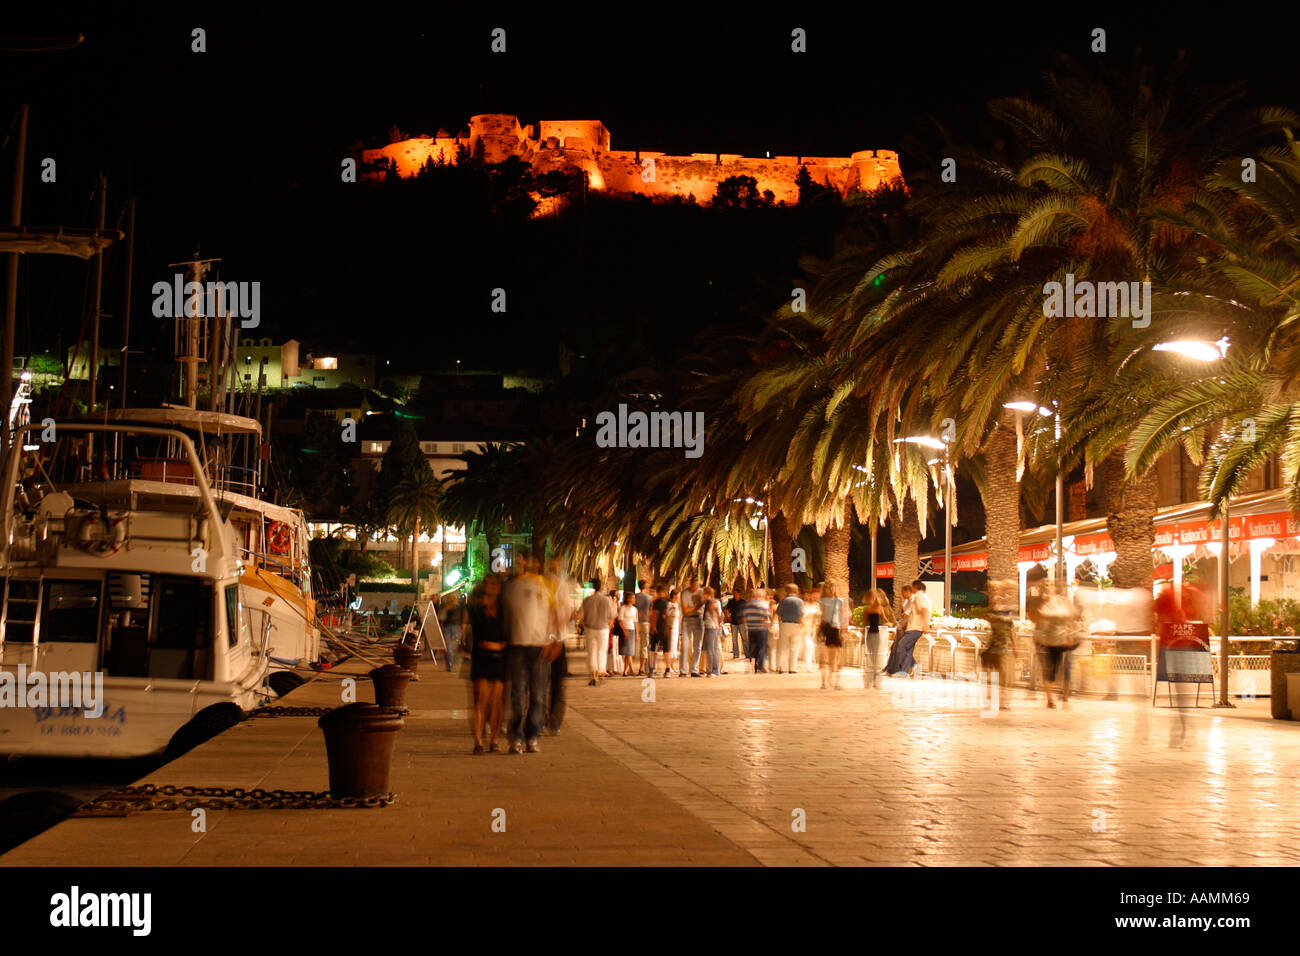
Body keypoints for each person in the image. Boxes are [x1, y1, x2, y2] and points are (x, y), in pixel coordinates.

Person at [502, 552, 562, 753]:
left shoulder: (546, 585)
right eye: (518, 561)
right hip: (517, 645)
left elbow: (555, 614)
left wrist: (554, 640)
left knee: (537, 695)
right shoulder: (510, 587)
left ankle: (532, 735)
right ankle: (516, 736)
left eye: (524, 560)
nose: (521, 564)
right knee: (517, 694)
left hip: (539, 646)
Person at [466, 574, 507, 753]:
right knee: (480, 700)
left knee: (496, 701)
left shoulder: (504, 609)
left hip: (500, 658)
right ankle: (478, 741)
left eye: (494, 584)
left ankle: (495, 740)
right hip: (481, 657)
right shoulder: (476, 608)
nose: (491, 587)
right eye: (488, 584)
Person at [1029, 579, 1080, 709]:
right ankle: (1050, 698)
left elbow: (1070, 617)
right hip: (1048, 641)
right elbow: (1036, 621)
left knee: (1066, 667)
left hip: (1064, 640)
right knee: (1051, 669)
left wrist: (1070, 635)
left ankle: (1064, 695)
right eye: (1046, 587)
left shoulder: (1061, 601)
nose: (1049, 589)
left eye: (1051, 586)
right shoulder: (1040, 603)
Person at [883, 579, 931, 676]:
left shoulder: (918, 596)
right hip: (912, 627)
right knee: (907, 650)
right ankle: (904, 672)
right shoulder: (921, 597)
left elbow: (924, 610)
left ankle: (913, 666)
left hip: (915, 628)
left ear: (913, 587)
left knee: (901, 646)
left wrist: (926, 626)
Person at [582, 575, 616, 685]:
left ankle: (593, 674)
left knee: (592, 652)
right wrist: (610, 625)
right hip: (603, 629)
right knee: (602, 651)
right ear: (600, 586)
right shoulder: (607, 600)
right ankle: (600, 671)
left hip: (590, 628)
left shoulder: (587, 600)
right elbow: (612, 615)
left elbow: (583, 616)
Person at [861, 588, 895, 689]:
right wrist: (863, 635)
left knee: (875, 657)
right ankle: (869, 681)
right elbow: (864, 623)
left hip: (876, 634)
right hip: (871, 634)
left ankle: (875, 681)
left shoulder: (879, 608)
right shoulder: (868, 609)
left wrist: (889, 624)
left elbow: (884, 620)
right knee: (870, 657)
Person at [817, 581, 848, 690]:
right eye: (829, 587)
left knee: (835, 658)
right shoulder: (822, 601)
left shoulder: (839, 601)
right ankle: (825, 682)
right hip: (826, 629)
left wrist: (844, 630)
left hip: (835, 629)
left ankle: (834, 682)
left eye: (833, 586)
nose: (831, 589)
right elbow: (820, 616)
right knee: (824, 657)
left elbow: (843, 616)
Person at [740, 588, 771, 672]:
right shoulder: (763, 604)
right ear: (760, 595)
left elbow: (744, 619)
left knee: (754, 646)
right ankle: (761, 665)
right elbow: (766, 616)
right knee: (762, 647)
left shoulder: (748, 605)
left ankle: (753, 660)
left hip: (751, 629)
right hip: (761, 629)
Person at [775, 584, 803, 673]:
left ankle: (782, 668)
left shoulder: (783, 601)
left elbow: (779, 615)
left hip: (784, 624)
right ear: (796, 591)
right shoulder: (799, 601)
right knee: (794, 648)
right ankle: (792, 668)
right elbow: (800, 615)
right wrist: (800, 625)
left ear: (787, 591)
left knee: (783, 647)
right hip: (795, 625)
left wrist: (780, 625)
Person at [681, 576, 705, 677]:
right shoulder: (685, 593)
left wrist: (693, 608)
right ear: (690, 583)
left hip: (699, 619)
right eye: (693, 584)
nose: (695, 586)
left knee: (698, 647)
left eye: (697, 584)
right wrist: (697, 606)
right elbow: (685, 610)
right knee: (685, 646)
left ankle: (694, 670)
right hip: (687, 620)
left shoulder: (701, 592)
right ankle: (683, 670)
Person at [700, 586, 724, 677]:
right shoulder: (707, 603)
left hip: (712, 627)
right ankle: (714, 670)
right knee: (711, 649)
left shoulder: (713, 602)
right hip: (709, 627)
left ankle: (712, 671)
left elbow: (720, 615)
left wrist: (719, 624)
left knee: (711, 649)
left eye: (704, 594)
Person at [648, 585, 671, 677]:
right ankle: (667, 670)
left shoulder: (657, 602)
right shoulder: (667, 602)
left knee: (654, 648)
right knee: (665, 649)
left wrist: (653, 626)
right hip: (664, 627)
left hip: (659, 627)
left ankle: (651, 670)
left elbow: (654, 614)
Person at [634, 581, 654, 676]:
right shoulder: (649, 598)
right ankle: (641, 668)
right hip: (646, 622)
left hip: (635, 622)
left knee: (634, 645)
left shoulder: (634, 596)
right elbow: (651, 611)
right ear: (645, 587)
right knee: (644, 646)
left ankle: (630, 667)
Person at [616, 592, 639, 676]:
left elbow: (636, 621)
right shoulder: (623, 608)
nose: (634, 599)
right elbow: (620, 620)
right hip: (625, 630)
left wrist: (637, 633)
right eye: (632, 598)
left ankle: (625, 671)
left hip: (632, 630)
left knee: (629, 652)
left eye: (634, 598)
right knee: (628, 652)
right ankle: (631, 670)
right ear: (628, 599)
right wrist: (624, 631)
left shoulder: (634, 609)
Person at [665, 587, 683, 676]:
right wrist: (674, 609)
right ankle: (669, 666)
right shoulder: (669, 604)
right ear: (674, 596)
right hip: (671, 627)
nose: (679, 597)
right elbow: (667, 614)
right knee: (671, 646)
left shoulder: (676, 604)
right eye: (678, 596)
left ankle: (672, 665)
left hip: (676, 626)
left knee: (674, 646)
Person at [728, 588, 748, 659]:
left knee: (744, 638)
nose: (735, 595)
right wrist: (728, 616)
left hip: (741, 622)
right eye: (734, 593)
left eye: (736, 593)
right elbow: (726, 609)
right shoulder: (731, 602)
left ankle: (747, 654)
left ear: (739, 594)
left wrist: (745, 618)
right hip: (733, 622)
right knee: (734, 639)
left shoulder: (743, 602)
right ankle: (736, 654)